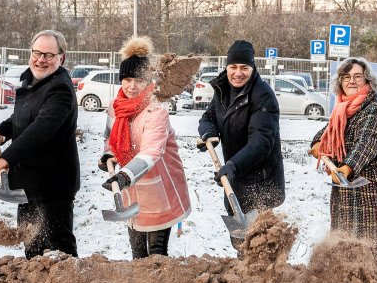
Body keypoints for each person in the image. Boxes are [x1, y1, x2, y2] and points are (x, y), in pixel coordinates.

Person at [0, 30, 80, 258]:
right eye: (37, 53)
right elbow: (26, 117)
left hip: (53, 186)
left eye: (48, 54)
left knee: (59, 251)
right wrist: (3, 130)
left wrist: (8, 156)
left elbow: (41, 128)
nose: (41, 59)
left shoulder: (60, 90)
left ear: (61, 58)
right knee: (33, 248)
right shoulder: (32, 82)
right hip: (29, 183)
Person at [309, 58, 377, 268]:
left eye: (357, 76)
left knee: (376, 257)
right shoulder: (342, 110)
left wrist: (346, 167)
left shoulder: (374, 108)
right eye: (347, 77)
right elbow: (328, 132)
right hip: (349, 189)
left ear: (366, 80)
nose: (351, 81)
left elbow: (367, 141)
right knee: (346, 253)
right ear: (341, 82)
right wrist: (318, 143)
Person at [98, 37, 191, 258]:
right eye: (127, 79)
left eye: (138, 80)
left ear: (148, 81)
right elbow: (110, 138)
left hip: (159, 188)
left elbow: (152, 151)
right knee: (138, 252)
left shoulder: (155, 110)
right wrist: (108, 155)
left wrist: (124, 176)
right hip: (131, 188)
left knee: (157, 254)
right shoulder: (116, 107)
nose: (132, 86)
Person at [197, 40, 285, 249]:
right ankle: (244, 276)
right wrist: (209, 132)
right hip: (235, 178)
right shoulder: (223, 91)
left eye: (244, 67)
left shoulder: (262, 95)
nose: (238, 73)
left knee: (261, 246)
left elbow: (261, 141)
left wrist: (233, 165)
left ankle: (266, 279)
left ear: (252, 68)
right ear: (226, 67)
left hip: (261, 181)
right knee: (241, 244)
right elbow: (208, 117)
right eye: (233, 67)